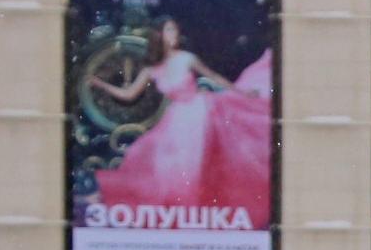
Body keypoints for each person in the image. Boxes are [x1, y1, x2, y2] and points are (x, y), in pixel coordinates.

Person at [83, 16, 274, 224]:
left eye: (175, 31)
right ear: (158, 35)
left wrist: (243, 93)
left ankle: (192, 212)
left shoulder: (186, 58)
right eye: (169, 31)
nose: (173, 35)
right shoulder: (152, 69)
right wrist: (102, 85)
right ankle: (179, 212)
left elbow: (214, 77)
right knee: (160, 163)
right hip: (177, 118)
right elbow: (129, 94)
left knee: (195, 163)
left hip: (200, 112)